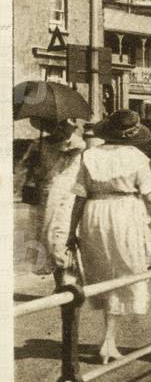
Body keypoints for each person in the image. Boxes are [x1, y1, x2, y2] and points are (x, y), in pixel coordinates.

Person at [67, 110, 151, 364]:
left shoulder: (89, 156)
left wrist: (72, 230)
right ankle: (108, 341)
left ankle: (107, 338)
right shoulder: (136, 157)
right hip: (125, 213)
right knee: (125, 271)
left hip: (95, 214)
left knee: (102, 272)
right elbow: (149, 196)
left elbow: (80, 196)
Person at [22, 118, 87, 288]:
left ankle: (70, 279)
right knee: (45, 238)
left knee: (59, 236)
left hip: (66, 195)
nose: (68, 128)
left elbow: (75, 159)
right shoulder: (39, 143)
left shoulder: (76, 145)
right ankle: (61, 282)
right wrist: (33, 160)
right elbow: (26, 167)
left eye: (70, 125)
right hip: (44, 195)